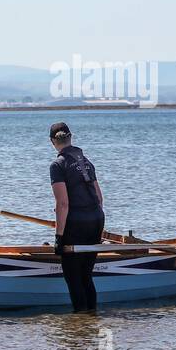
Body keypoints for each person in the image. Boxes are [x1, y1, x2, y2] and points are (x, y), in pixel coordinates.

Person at [48, 122, 105, 313]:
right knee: (86, 275)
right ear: (71, 138)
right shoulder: (86, 161)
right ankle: (92, 317)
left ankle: (81, 324)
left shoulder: (58, 165)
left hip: (77, 223)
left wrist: (59, 236)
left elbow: (62, 204)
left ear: (52, 142)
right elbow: (99, 198)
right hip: (96, 220)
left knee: (73, 277)